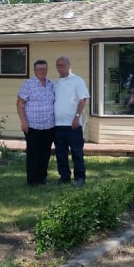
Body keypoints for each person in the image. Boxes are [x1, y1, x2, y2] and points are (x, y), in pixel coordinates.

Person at [16, 59, 55, 186]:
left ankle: (42, 178)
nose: (42, 71)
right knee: (33, 153)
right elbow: (20, 104)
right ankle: (32, 180)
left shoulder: (51, 84)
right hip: (32, 126)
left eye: (44, 69)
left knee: (45, 153)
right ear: (35, 71)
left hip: (48, 126)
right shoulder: (28, 84)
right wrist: (23, 122)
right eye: (39, 69)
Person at [53, 55, 91, 186]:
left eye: (63, 65)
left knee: (76, 152)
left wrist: (77, 117)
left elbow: (83, 99)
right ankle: (64, 177)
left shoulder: (77, 80)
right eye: (58, 65)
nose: (60, 68)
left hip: (72, 124)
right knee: (60, 153)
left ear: (69, 66)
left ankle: (80, 177)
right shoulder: (55, 83)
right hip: (57, 125)